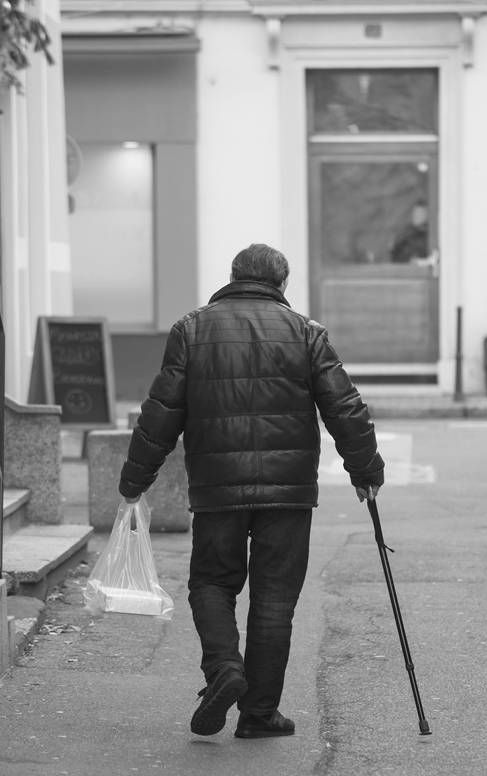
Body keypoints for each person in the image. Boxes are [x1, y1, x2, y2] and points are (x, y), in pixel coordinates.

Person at [118, 243, 385, 739]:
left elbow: (161, 412)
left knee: (212, 584)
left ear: (234, 276)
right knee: (275, 599)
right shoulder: (307, 333)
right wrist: (365, 469)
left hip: (218, 488)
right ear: (282, 284)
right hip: (288, 491)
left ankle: (223, 668)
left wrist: (135, 479)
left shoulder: (191, 330)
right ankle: (259, 715)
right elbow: (344, 407)